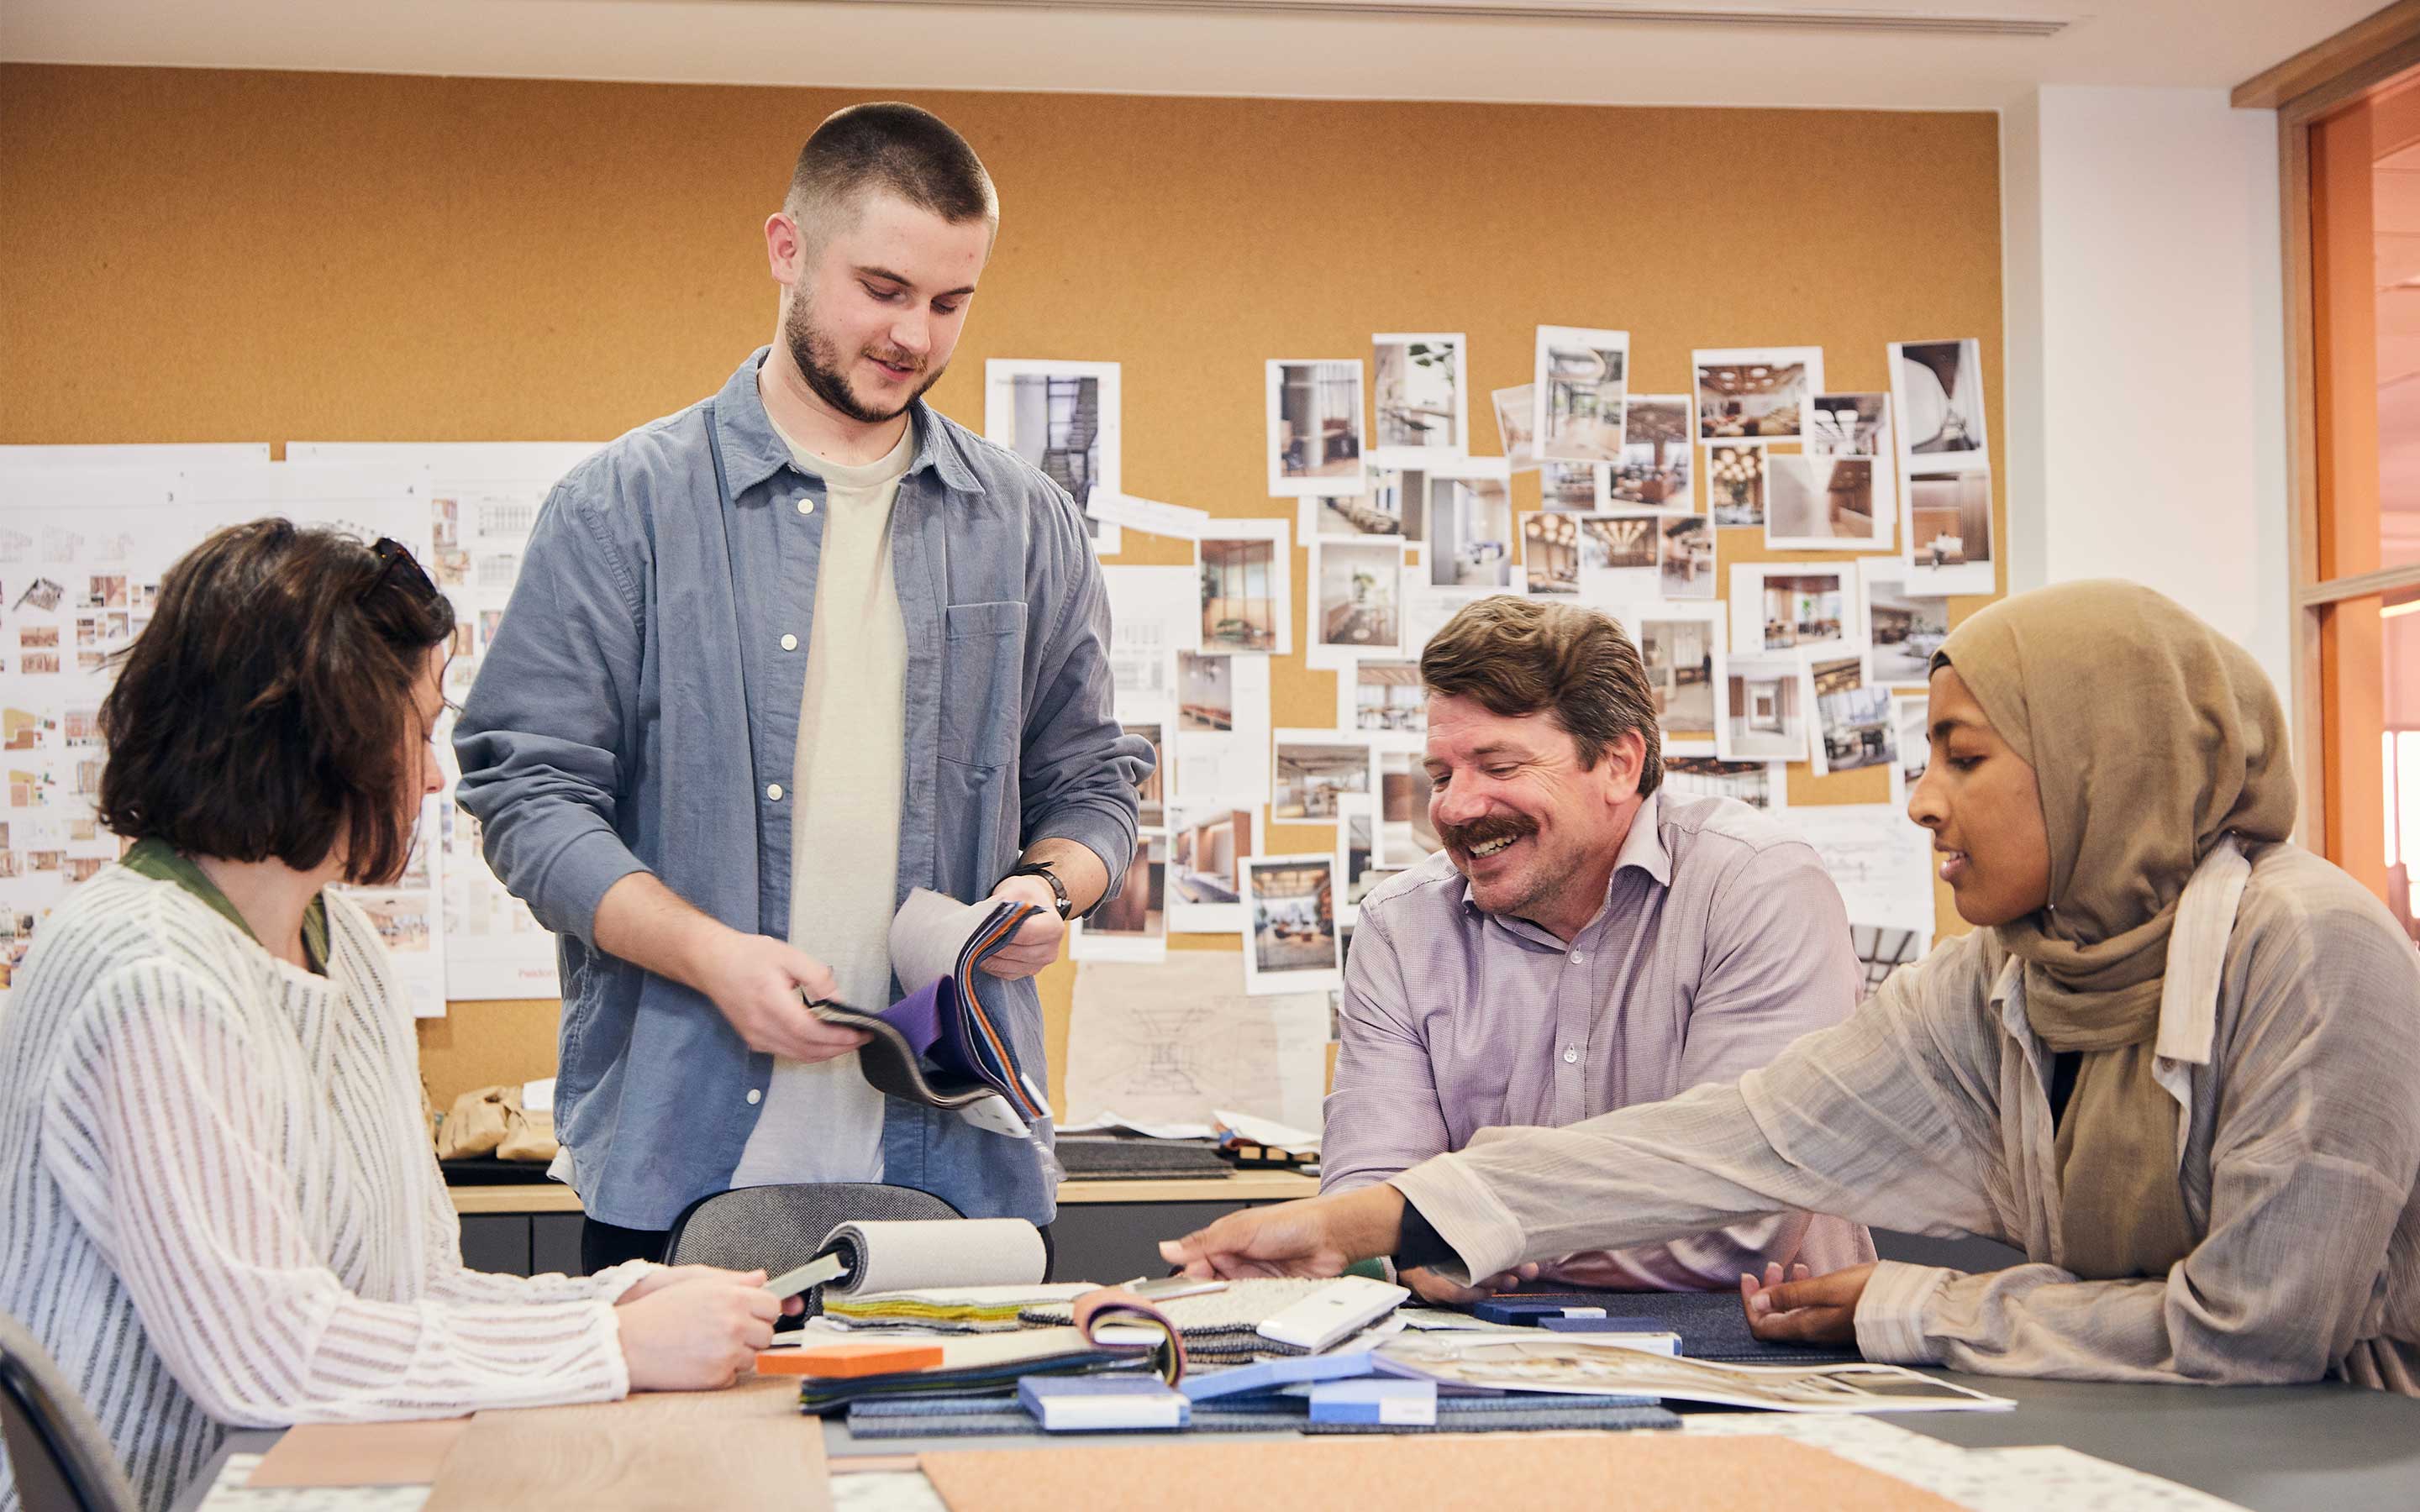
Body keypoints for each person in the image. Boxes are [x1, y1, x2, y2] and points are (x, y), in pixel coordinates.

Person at [1165, 580, 2420, 1393]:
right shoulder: (1996, 979)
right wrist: (1347, 1224)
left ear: (2107, 767)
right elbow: (1727, 1141)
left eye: (1965, 757)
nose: (1923, 798)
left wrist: (1920, 1303)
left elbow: (2258, 1333)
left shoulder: (2310, 946)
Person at [454, 102, 1148, 1273]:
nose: (914, 335)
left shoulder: (1026, 523)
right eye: (882, 288)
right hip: (678, 1159)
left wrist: (1048, 891)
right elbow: (526, 798)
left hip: (957, 1161)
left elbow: (1094, 787)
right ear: (787, 250)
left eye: (949, 302)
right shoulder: (622, 506)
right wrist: (711, 956)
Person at [0, 524, 794, 1512]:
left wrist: (615, 1297)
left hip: (297, 1478)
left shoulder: (341, 944)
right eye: (414, 733)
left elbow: (409, 1292)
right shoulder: (149, 974)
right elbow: (269, 1353)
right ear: (307, 739)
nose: (431, 776)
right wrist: (610, 1345)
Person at [1324, 597, 1871, 1304]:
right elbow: (1368, 1205)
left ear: (1618, 763)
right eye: (1441, 776)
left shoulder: (1756, 884)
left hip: (1759, 1365)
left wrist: (1475, 1229)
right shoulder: (1400, 928)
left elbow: (1740, 1216)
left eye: (1497, 765)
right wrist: (1416, 1235)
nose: (1454, 808)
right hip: (1484, 1364)